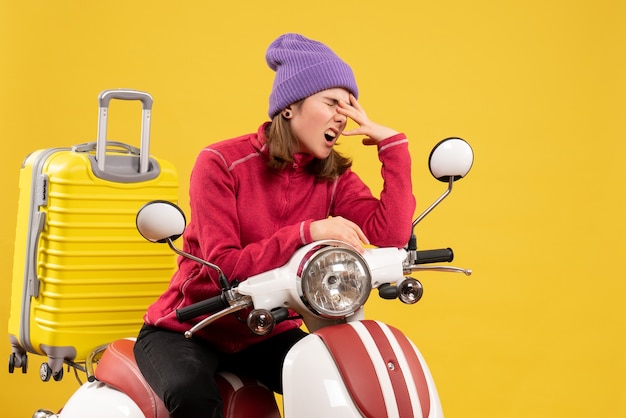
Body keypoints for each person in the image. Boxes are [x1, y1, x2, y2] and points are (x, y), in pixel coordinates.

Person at [134, 32, 416, 418]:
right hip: (189, 328)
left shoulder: (333, 177)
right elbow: (225, 269)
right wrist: (308, 232)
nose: (343, 115)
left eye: (349, 106)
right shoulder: (220, 163)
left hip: (264, 331)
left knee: (340, 382)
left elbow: (390, 239)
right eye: (332, 101)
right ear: (289, 107)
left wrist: (393, 147)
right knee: (193, 396)